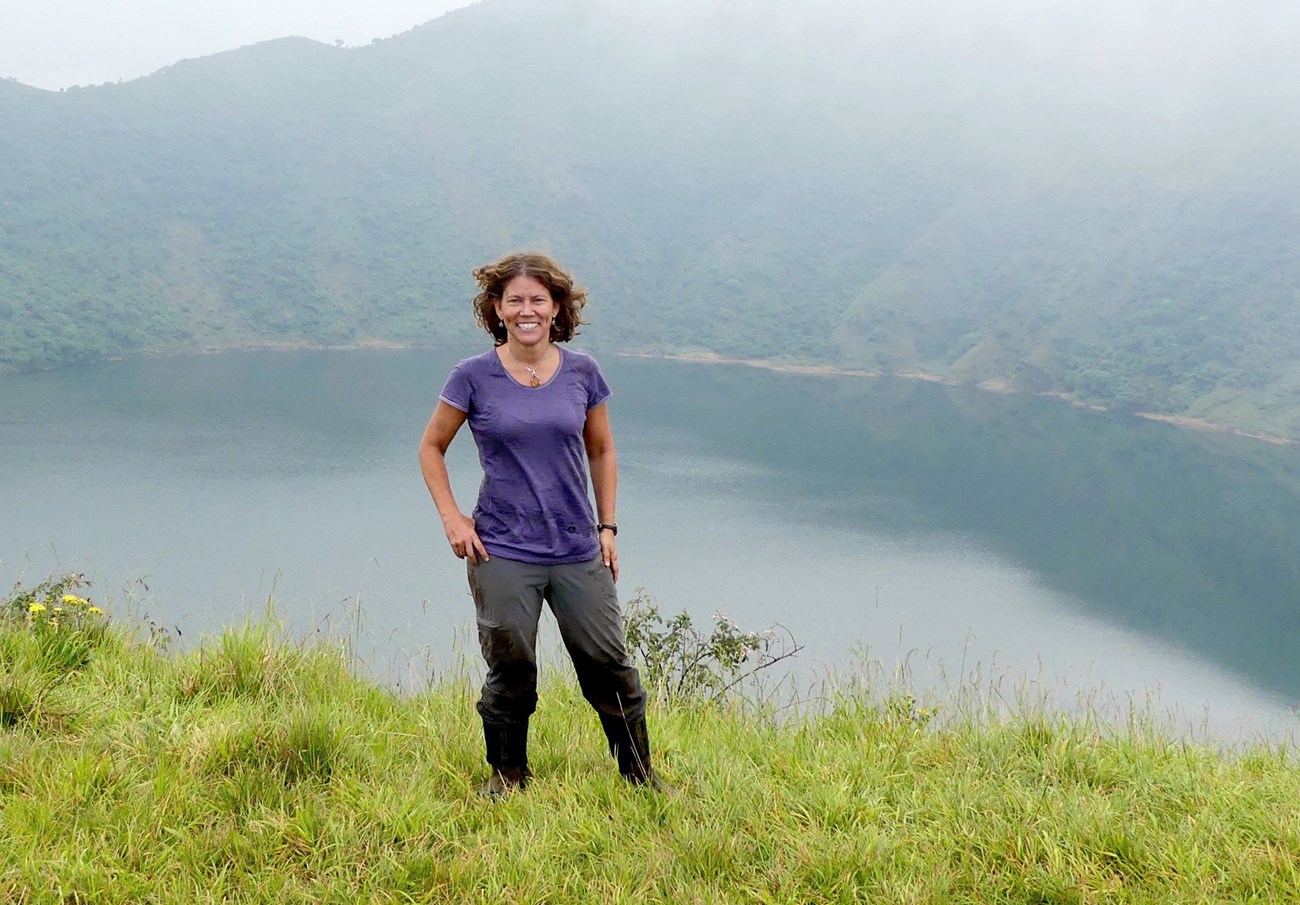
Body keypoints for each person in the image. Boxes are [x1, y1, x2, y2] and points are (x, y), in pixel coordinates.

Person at [419, 252, 671, 797]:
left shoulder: (583, 371)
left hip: (578, 546)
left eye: (538, 299)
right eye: (515, 300)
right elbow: (431, 448)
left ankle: (640, 778)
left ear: (557, 307)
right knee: (510, 665)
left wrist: (608, 528)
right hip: (503, 548)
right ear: (497, 309)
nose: (526, 310)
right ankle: (507, 777)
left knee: (608, 664)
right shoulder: (472, 376)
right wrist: (453, 518)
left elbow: (602, 451)